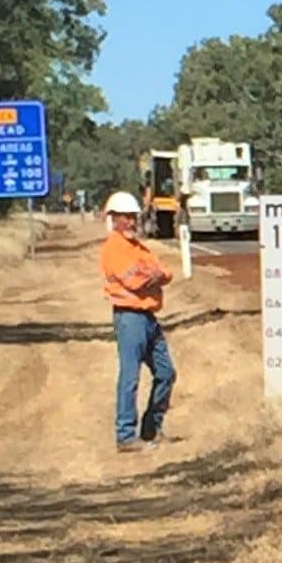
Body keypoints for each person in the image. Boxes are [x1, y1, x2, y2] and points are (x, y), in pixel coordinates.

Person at [100, 190, 177, 451]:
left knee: (166, 372)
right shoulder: (114, 248)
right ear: (114, 219)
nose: (132, 222)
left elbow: (165, 271)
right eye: (126, 218)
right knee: (130, 377)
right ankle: (125, 435)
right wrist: (153, 275)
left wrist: (154, 274)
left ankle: (151, 428)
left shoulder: (138, 247)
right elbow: (134, 279)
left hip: (148, 316)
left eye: (133, 217)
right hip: (129, 318)